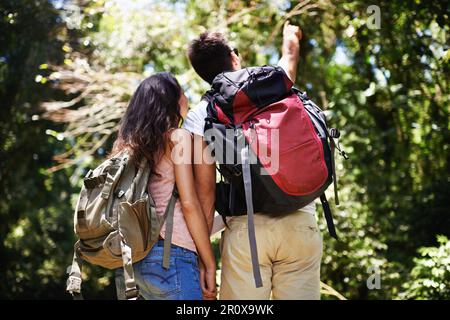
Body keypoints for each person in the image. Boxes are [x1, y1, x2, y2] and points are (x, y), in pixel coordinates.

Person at [183, 22, 323, 300]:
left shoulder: (202, 114)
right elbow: (290, 60)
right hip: (301, 219)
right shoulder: (273, 83)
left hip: (247, 230)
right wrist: (290, 36)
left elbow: (205, 194)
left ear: (202, 75)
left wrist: (204, 261)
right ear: (234, 58)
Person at [113, 72, 217, 300]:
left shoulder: (126, 146)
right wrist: (208, 262)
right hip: (172, 258)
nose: (186, 97)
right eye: (181, 92)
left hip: (129, 265)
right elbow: (189, 204)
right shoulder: (177, 138)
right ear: (172, 100)